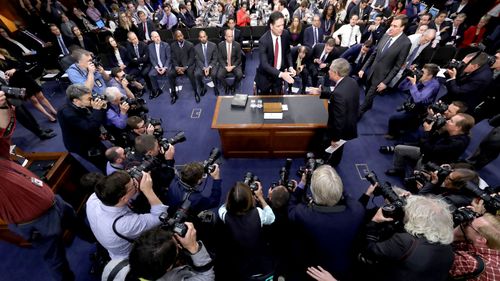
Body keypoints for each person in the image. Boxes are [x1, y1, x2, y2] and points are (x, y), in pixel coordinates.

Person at [288, 165, 365, 280]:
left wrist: (302, 184)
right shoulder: (357, 210)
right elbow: (347, 196)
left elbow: (291, 207)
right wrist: (333, 183)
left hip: (312, 270)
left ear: (313, 192)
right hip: (346, 269)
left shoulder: (303, 214)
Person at [359, 195, 454, 281]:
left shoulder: (404, 241)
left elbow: (369, 252)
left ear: (418, 219)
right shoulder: (449, 251)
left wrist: (374, 222)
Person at [86, 171, 167, 260]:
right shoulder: (124, 225)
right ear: (124, 198)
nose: (136, 182)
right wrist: (148, 190)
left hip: (110, 243)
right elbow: (160, 216)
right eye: (134, 185)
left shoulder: (93, 199)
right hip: (130, 256)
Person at [102, 224, 214, 281]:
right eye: (178, 247)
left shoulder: (112, 266)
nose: (180, 245)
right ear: (169, 267)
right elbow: (207, 277)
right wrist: (193, 247)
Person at [217, 181, 276, 280]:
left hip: (237, 261)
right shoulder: (258, 213)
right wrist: (260, 197)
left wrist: (237, 195)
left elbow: (224, 206)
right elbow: (272, 218)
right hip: (258, 261)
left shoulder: (224, 214)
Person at [385, 113, 475, 177]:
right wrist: (434, 126)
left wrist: (427, 132)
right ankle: (399, 169)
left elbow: (428, 149)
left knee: (413, 178)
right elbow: (432, 140)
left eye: (451, 121)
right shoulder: (451, 132)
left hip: (431, 161)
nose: (447, 121)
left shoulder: (457, 143)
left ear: (458, 127)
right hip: (427, 153)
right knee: (399, 149)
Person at [358, 15, 411, 118]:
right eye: (391, 25)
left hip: (381, 78)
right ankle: (368, 105)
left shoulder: (406, 43)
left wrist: (385, 82)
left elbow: (397, 66)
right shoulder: (386, 35)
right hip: (371, 72)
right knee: (367, 94)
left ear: (402, 28)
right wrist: (363, 69)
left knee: (366, 99)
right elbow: (374, 54)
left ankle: (356, 116)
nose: (391, 28)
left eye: (395, 26)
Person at [312, 59, 359, 166]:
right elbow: (339, 93)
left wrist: (335, 139)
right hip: (350, 124)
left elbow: (339, 120)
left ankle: (329, 165)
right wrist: (321, 91)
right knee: (339, 148)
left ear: (336, 73)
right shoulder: (351, 81)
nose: (328, 71)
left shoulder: (339, 94)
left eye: (330, 70)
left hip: (340, 129)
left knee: (331, 147)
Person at [57, 84, 108, 170]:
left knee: (105, 153)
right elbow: (89, 127)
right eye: (89, 99)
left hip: (90, 135)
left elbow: (91, 118)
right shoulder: (68, 114)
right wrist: (97, 110)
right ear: (76, 101)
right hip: (82, 144)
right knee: (101, 162)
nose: (91, 99)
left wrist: (99, 132)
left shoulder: (77, 102)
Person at [0, 48, 58, 122]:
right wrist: (6, 77)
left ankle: (53, 111)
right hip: (16, 82)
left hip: (25, 77)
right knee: (33, 99)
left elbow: (22, 64)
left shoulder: (7, 52)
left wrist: (14, 69)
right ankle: (48, 116)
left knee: (41, 96)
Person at [385, 63, 440, 139]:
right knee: (406, 121)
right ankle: (410, 125)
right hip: (412, 104)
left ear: (430, 76)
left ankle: (393, 134)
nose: (420, 74)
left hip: (420, 109)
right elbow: (401, 88)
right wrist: (408, 76)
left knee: (393, 119)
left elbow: (418, 99)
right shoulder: (422, 78)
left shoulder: (434, 85)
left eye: (423, 73)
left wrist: (414, 84)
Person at [450, 206, 500, 281]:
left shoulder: (472, 264)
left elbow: (433, 255)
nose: (465, 223)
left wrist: (454, 234)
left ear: (480, 240)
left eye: (467, 224)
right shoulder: (494, 247)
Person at [255, 12, 295, 94]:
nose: (281, 28)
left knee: (277, 100)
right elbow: (265, 65)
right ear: (271, 26)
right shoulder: (263, 41)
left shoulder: (285, 34)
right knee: (264, 102)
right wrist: (282, 74)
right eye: (278, 26)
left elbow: (287, 52)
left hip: (278, 77)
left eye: (282, 25)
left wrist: (290, 66)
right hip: (265, 76)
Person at [169, 30, 199, 102]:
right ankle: (174, 94)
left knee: (190, 74)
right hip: (178, 67)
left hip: (187, 66)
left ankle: (196, 92)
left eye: (181, 36)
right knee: (170, 74)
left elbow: (192, 58)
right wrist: (176, 67)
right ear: (176, 38)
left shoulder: (190, 45)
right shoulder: (173, 45)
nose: (180, 38)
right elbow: (173, 58)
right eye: (178, 36)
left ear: (183, 35)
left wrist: (185, 67)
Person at [194, 31, 220, 97]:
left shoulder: (213, 45)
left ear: (207, 37)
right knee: (197, 74)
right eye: (201, 37)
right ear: (199, 38)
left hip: (211, 64)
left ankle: (215, 87)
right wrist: (204, 68)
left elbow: (215, 58)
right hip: (202, 65)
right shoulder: (196, 48)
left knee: (214, 74)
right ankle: (202, 88)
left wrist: (209, 67)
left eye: (204, 36)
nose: (203, 38)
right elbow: (198, 60)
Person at [217, 29, 243, 95]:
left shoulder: (237, 45)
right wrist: (225, 66)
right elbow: (220, 58)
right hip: (225, 65)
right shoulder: (220, 45)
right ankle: (226, 87)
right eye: (229, 36)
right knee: (219, 75)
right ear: (225, 37)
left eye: (232, 36)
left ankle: (233, 87)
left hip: (234, 64)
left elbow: (239, 58)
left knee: (240, 75)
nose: (231, 38)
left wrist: (233, 66)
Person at [148, 31, 171, 100]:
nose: (158, 38)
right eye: (155, 37)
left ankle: (173, 89)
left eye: (158, 36)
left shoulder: (166, 45)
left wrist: (165, 68)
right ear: (152, 39)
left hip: (166, 65)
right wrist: (156, 67)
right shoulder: (150, 46)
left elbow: (169, 58)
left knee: (171, 73)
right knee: (151, 74)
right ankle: (157, 90)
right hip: (157, 66)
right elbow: (151, 59)